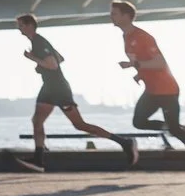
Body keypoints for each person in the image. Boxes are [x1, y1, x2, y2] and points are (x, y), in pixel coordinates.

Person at [109, 0, 185, 178]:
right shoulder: (127, 37)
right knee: (139, 122)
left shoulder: (143, 37)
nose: (111, 16)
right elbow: (144, 62)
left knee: (174, 130)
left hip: (166, 90)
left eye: (114, 13)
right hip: (152, 90)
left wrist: (135, 65)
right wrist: (139, 73)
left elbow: (160, 63)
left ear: (126, 16)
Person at [10, 13, 134, 171]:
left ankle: (125, 142)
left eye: (21, 25)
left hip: (59, 89)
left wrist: (33, 58)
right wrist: (41, 64)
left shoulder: (39, 42)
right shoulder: (37, 42)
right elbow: (60, 58)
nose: (19, 28)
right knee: (37, 121)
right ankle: (38, 159)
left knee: (79, 125)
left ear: (29, 25)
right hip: (49, 88)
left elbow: (53, 65)